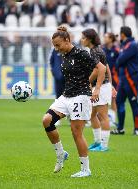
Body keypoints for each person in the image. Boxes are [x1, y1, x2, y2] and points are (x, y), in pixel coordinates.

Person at [42, 26, 106, 177]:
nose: (56, 49)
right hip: (66, 95)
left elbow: (101, 68)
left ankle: (85, 169)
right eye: (54, 46)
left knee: (76, 132)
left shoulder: (81, 53)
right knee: (47, 120)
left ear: (67, 40)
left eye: (58, 45)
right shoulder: (64, 54)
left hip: (80, 97)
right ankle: (61, 153)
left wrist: (96, 89)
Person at [80, 29, 116, 152]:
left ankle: (104, 146)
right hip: (102, 86)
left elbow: (98, 70)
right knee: (92, 115)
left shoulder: (95, 51)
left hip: (100, 87)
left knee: (103, 116)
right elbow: (107, 67)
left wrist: (88, 82)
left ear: (89, 39)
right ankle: (97, 142)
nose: (81, 40)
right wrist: (111, 84)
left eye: (83, 38)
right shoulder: (97, 50)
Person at [110, 26, 138, 136]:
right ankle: (120, 128)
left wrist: (119, 59)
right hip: (123, 79)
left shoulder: (131, 45)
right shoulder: (125, 45)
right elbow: (120, 60)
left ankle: (137, 129)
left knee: (133, 103)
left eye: (120, 33)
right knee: (119, 102)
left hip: (131, 79)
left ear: (123, 34)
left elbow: (120, 60)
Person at [102, 32, 120, 126]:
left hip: (114, 77)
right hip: (103, 77)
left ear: (111, 39)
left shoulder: (116, 51)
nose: (104, 38)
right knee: (103, 98)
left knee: (113, 98)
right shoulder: (102, 49)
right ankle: (104, 118)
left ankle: (112, 119)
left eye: (106, 37)